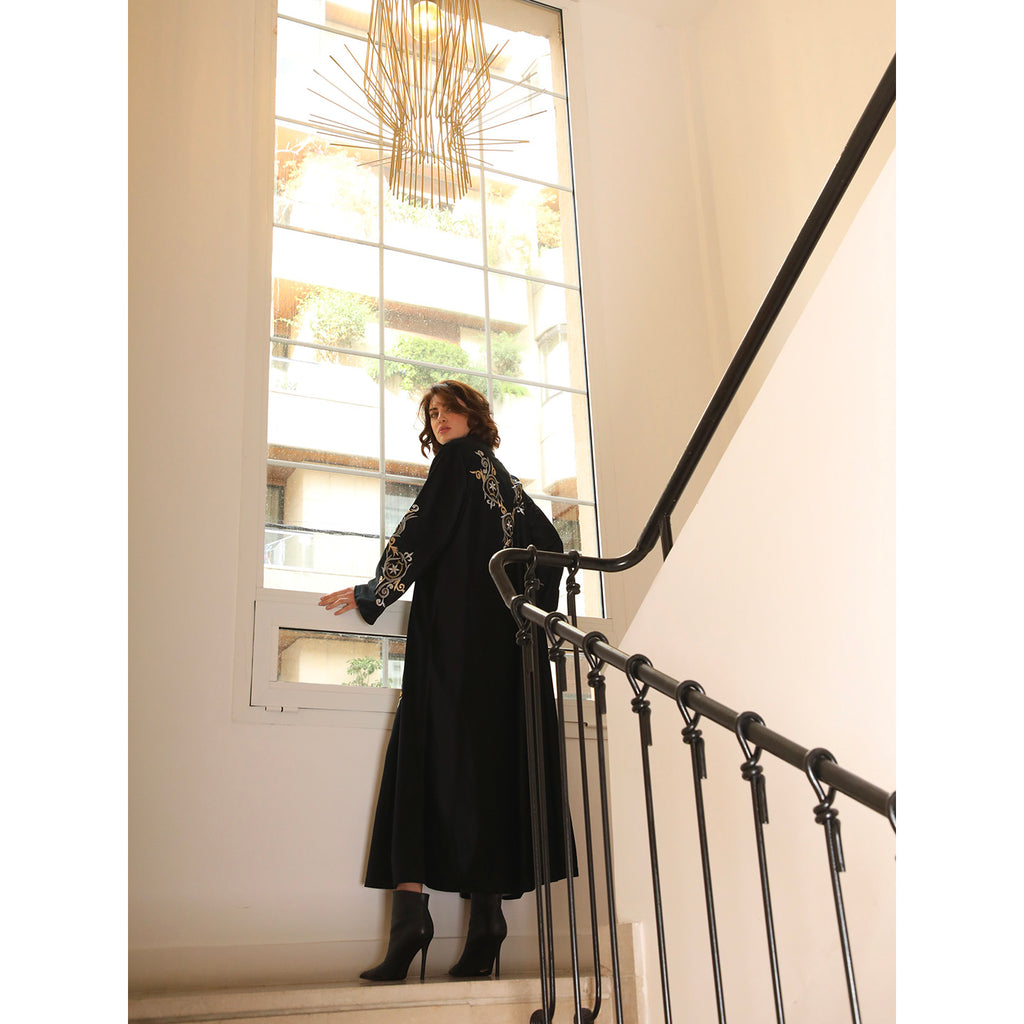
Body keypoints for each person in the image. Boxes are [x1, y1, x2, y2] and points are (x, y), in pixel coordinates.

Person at [320, 380, 574, 983]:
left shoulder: (459, 461)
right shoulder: (506, 481)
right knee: (482, 775)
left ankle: (412, 927)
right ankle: (486, 928)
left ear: (472, 415)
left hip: (454, 646)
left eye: (447, 409)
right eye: (431, 413)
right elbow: (550, 548)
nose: (438, 420)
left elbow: (422, 531)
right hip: (500, 656)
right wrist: (522, 615)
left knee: (424, 765)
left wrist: (374, 591)